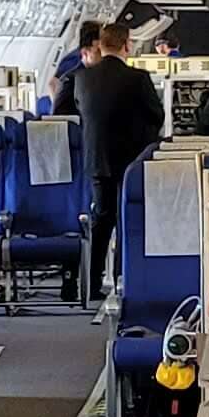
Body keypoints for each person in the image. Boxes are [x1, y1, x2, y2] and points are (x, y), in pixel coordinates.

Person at [75, 20, 167, 291]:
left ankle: (91, 283)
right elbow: (157, 115)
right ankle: (121, 279)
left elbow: (84, 111)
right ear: (127, 45)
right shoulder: (137, 79)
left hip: (97, 159)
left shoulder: (83, 79)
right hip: (130, 160)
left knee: (101, 220)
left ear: (101, 47)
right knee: (128, 218)